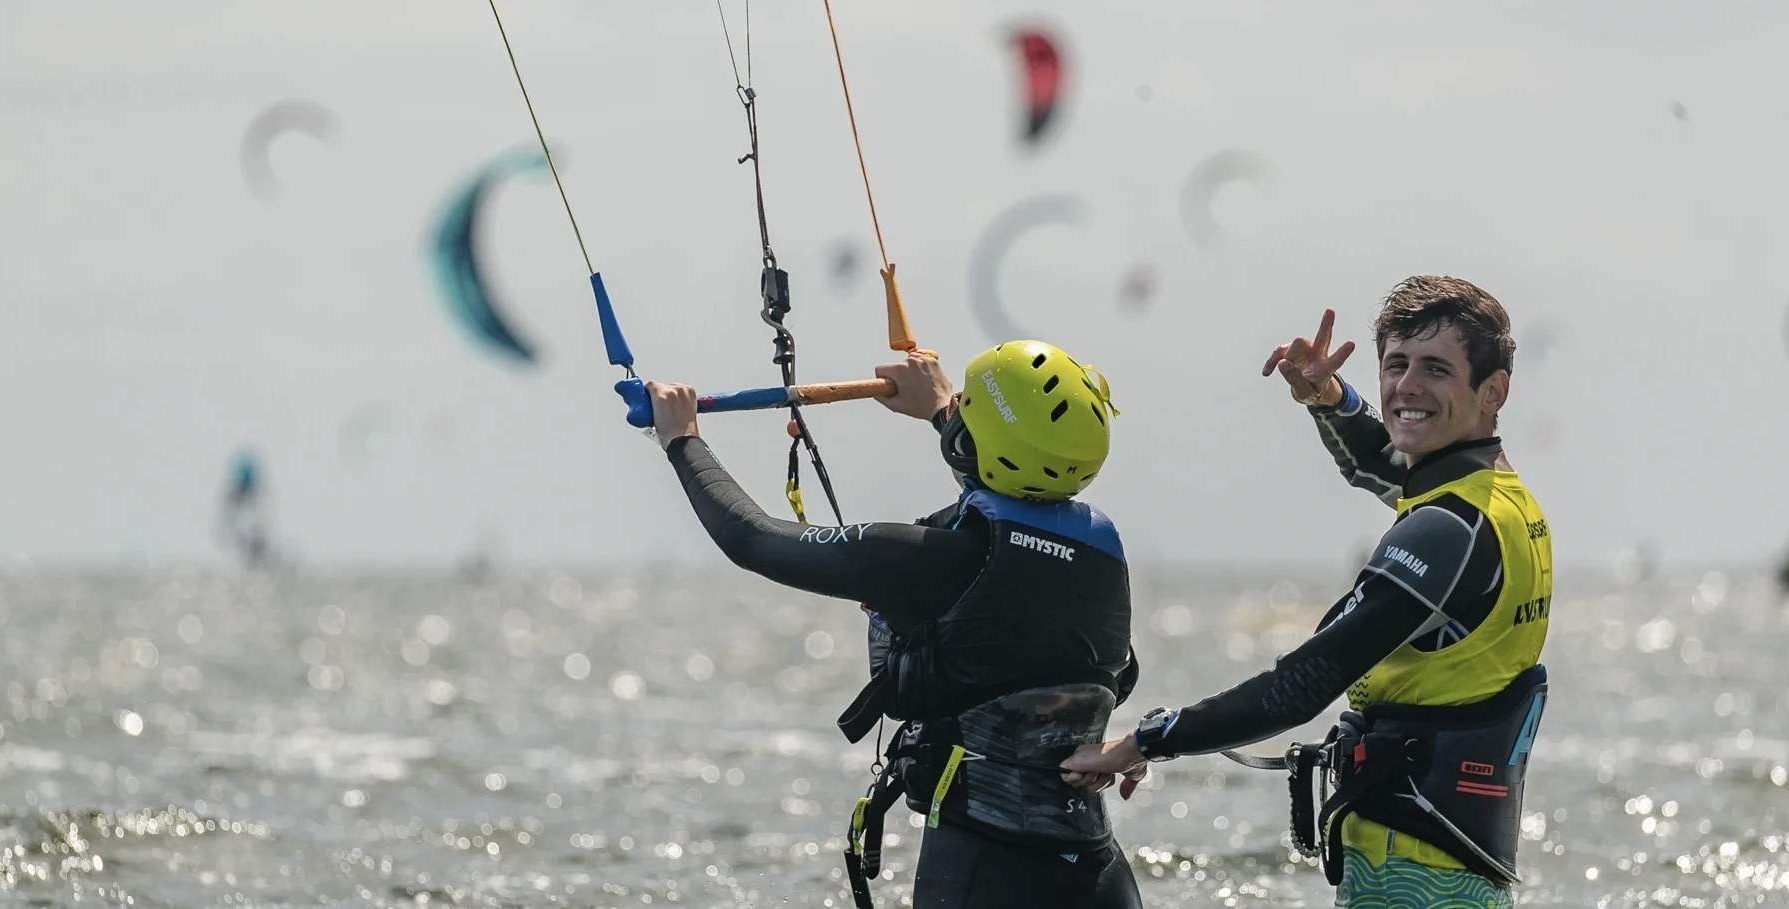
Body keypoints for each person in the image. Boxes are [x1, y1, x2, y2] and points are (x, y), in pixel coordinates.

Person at [1061, 277, 1553, 908]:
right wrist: (1331, 397)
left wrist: (1143, 741)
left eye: (1436, 369)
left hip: (1410, 873)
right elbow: (1388, 465)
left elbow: (1301, 685)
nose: (1407, 386)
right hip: (1451, 864)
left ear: (1494, 391)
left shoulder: (1448, 530)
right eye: (1395, 365)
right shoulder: (1500, 502)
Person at [645, 341, 1143, 908]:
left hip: (983, 869)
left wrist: (682, 438)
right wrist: (938, 409)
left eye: (964, 406)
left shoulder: (930, 561)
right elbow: (1008, 490)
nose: (954, 409)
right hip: (1099, 876)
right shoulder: (1100, 559)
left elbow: (752, 538)